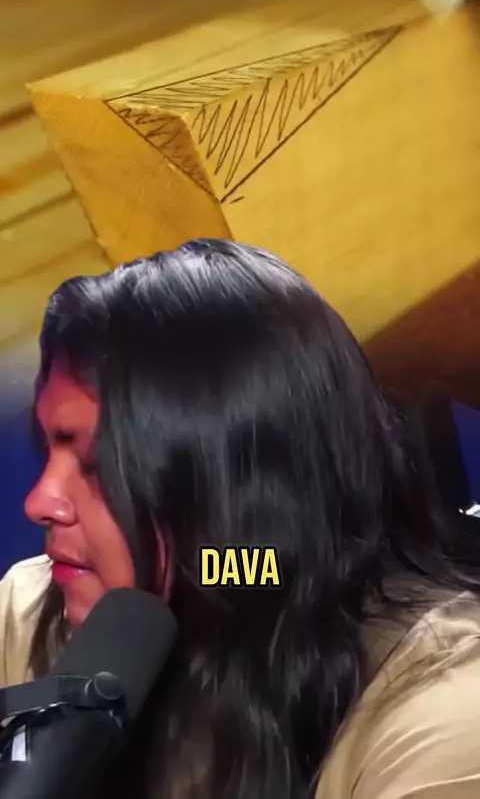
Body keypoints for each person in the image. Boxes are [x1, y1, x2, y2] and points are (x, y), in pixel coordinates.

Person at [1, 237, 480, 799]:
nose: (39, 501)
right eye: (49, 449)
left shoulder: (443, 706)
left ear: (234, 490)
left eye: (96, 466)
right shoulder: (28, 612)